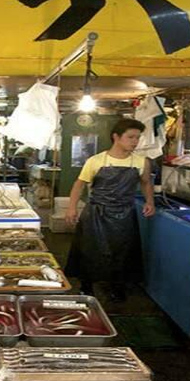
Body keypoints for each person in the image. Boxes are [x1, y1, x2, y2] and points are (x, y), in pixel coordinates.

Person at [65, 119, 156, 302]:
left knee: (122, 252)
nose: (135, 141)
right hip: (96, 213)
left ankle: (117, 287)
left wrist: (150, 202)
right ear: (116, 137)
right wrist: (72, 208)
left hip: (124, 214)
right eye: (130, 137)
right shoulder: (96, 160)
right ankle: (86, 286)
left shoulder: (141, 162)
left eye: (137, 138)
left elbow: (146, 183)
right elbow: (78, 185)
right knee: (90, 251)